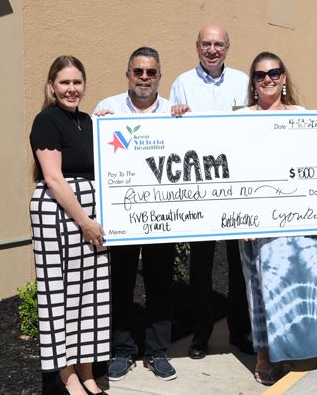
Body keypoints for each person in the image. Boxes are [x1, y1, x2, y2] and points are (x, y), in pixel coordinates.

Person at [238, 51, 317, 386]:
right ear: (253, 83)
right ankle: (265, 354)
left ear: (284, 78)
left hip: (299, 218)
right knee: (260, 288)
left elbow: (316, 162)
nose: (267, 79)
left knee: (303, 281)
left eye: (273, 72)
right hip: (258, 219)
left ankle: (308, 343)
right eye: (259, 75)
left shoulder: (302, 115)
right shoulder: (240, 118)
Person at [93, 47, 179, 382]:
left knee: (160, 285)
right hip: (123, 218)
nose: (144, 78)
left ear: (160, 75)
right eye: (138, 72)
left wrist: (188, 123)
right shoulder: (108, 109)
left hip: (162, 216)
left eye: (151, 72)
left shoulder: (175, 111)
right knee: (121, 283)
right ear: (128, 73)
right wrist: (97, 126)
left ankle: (157, 352)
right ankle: (123, 351)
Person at [169, 24, 254, 359]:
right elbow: (168, 132)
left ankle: (239, 332)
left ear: (228, 48)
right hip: (200, 190)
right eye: (206, 44)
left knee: (238, 265)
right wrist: (172, 114)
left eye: (218, 44)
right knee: (200, 269)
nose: (212, 50)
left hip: (235, 188)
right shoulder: (182, 84)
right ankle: (201, 336)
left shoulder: (243, 83)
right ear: (197, 46)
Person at [29, 56, 109, 395]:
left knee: (90, 294)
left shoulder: (88, 122)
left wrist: (105, 124)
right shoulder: (46, 120)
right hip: (61, 215)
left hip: (88, 217)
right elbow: (54, 178)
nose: (71, 88)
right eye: (64, 82)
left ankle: (87, 371)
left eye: (77, 82)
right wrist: (86, 223)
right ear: (52, 86)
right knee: (59, 296)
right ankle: (67, 375)